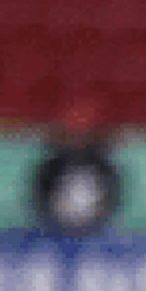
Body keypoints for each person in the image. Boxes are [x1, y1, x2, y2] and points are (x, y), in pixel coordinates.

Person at [28, 94, 123, 236]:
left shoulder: (103, 167)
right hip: (56, 229)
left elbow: (113, 199)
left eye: (84, 127)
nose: (78, 134)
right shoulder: (52, 166)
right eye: (73, 128)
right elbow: (39, 197)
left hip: (94, 230)